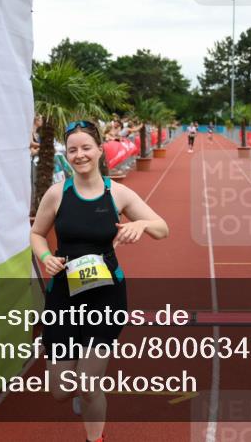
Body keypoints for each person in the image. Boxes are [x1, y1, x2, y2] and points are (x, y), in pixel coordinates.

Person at [30, 120, 169, 442]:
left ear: (99, 150)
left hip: (106, 298)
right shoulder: (57, 193)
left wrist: (143, 224)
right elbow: (37, 233)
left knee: (90, 385)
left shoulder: (116, 193)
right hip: (63, 297)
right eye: (73, 149)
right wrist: (45, 256)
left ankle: (96, 436)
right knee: (61, 392)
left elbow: (164, 228)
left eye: (86, 148)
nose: (79, 155)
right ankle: (79, 392)